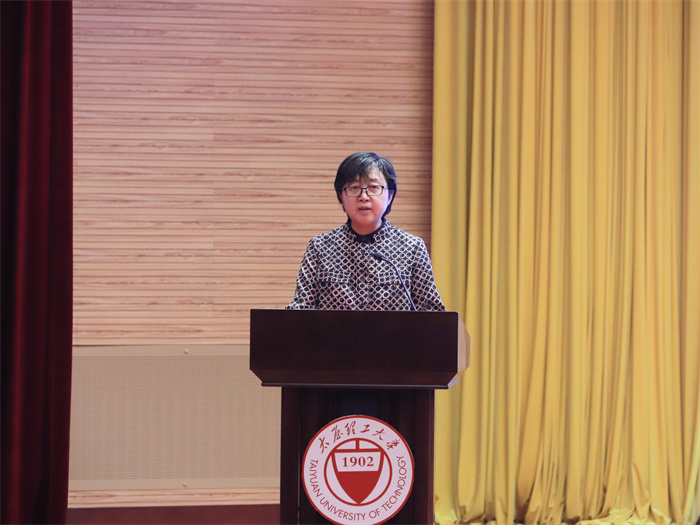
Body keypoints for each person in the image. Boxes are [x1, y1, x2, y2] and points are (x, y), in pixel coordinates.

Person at [287, 152, 445, 311]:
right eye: (354, 188)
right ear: (341, 196)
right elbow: (300, 310)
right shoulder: (320, 247)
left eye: (373, 187)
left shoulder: (411, 248)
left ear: (390, 196)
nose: (364, 196)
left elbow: (432, 313)